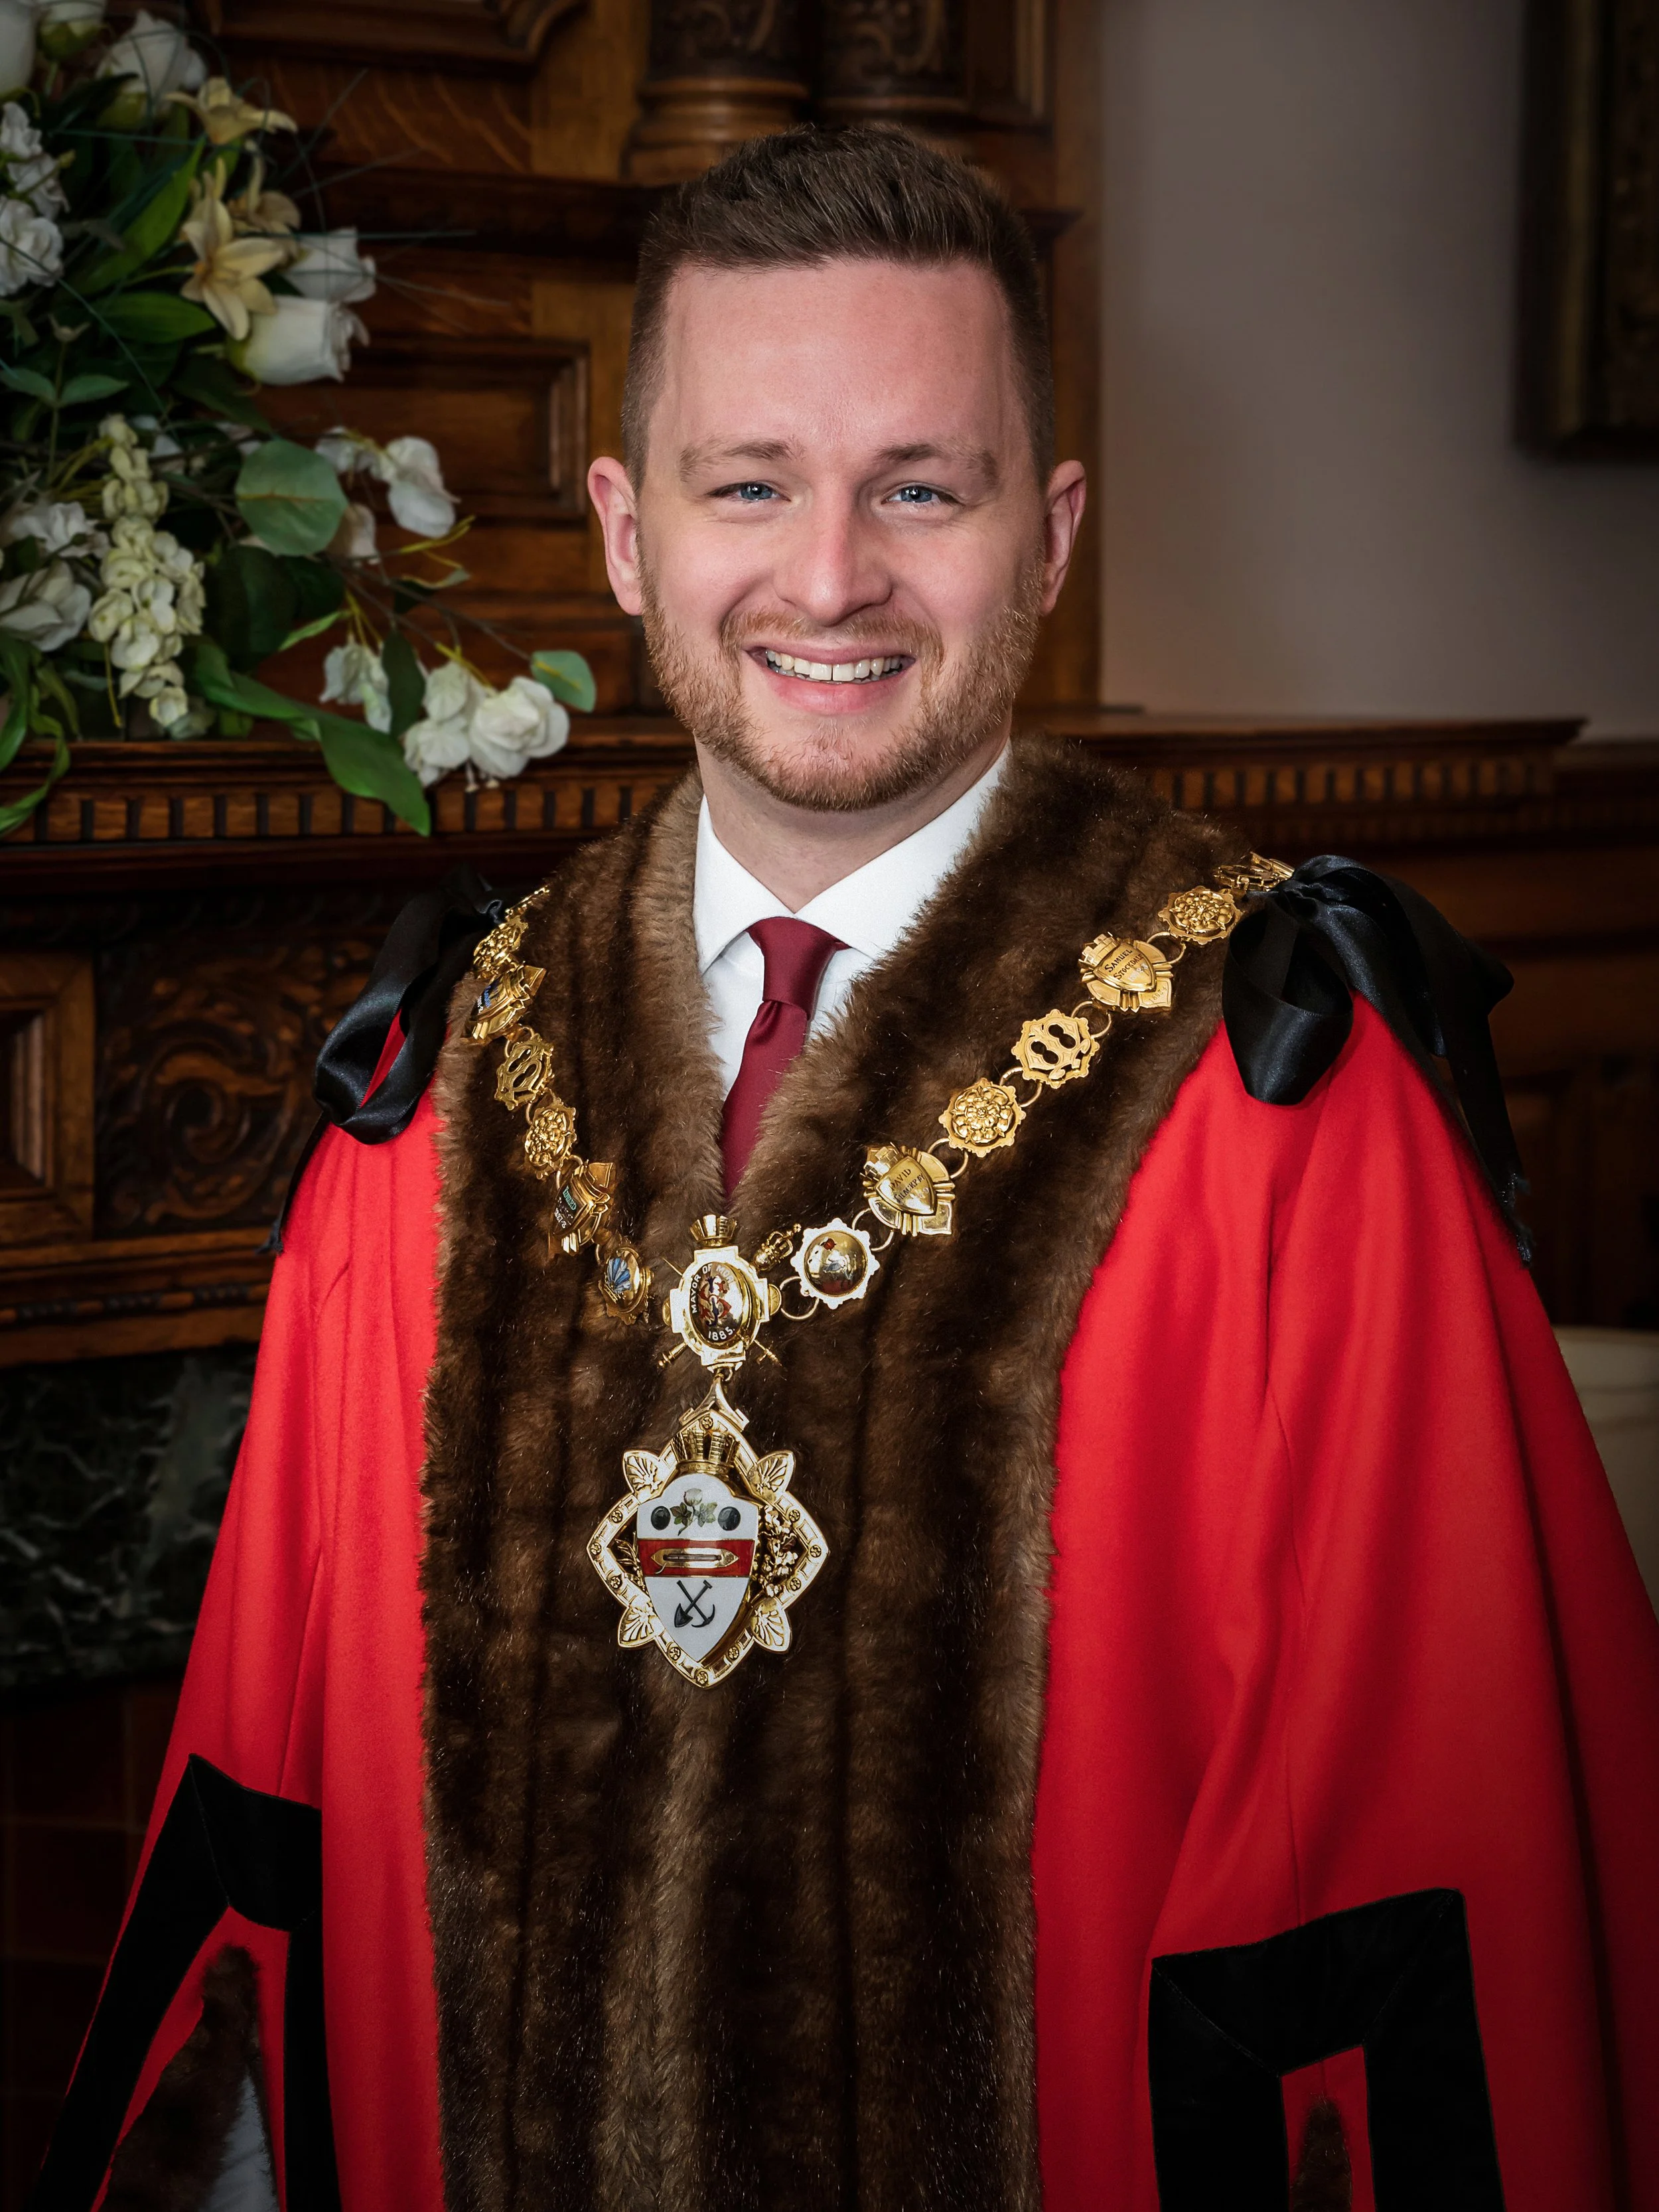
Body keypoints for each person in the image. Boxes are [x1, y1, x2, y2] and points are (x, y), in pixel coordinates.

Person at [33, 126, 1659, 2212]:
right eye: (748, 483)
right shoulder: (431, 1095)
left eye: (920, 484)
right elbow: (279, 1808)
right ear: (624, 533)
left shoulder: (1281, 1091)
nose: (826, 577)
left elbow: (1427, 1873)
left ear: (1049, 534)